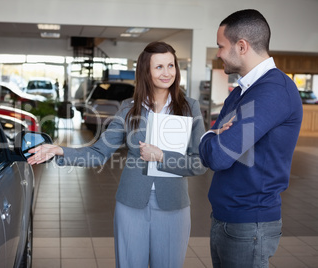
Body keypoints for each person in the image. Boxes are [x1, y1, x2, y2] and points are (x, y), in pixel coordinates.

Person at [27, 41, 207, 267]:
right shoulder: (128, 108)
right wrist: (60, 149)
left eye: (171, 66)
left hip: (173, 205)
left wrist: (162, 157)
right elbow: (99, 152)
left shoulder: (189, 107)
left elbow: (200, 163)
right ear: (145, 71)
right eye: (159, 67)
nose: (167, 73)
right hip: (131, 203)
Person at [199, 9, 303, 268]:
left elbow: (219, 156)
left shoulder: (273, 92)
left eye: (221, 46)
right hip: (226, 218)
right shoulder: (242, 91)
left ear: (242, 46)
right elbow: (214, 140)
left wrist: (210, 136)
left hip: (249, 225)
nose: (218, 53)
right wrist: (213, 136)